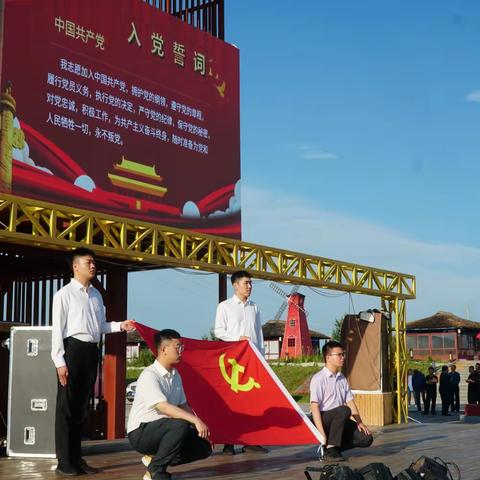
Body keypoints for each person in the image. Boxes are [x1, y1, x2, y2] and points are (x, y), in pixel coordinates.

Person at [51, 247, 135, 476]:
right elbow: (57, 330)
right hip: (72, 350)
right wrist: (60, 361)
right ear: (75, 266)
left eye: (94, 262)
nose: (93, 265)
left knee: (81, 409)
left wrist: (120, 326)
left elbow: (100, 327)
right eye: (88, 262)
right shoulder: (64, 294)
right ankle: (64, 462)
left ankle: (77, 459)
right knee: (66, 409)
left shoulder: (97, 295)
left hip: (91, 351)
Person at [127, 329, 212, 480]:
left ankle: (155, 461)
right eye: (177, 347)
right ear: (164, 349)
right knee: (180, 425)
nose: (181, 351)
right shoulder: (150, 375)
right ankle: (156, 471)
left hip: (166, 430)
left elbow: (183, 405)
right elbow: (163, 407)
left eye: (182, 347)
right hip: (141, 432)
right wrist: (196, 421)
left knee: (203, 447)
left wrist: (198, 428)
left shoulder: (175, 375)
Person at [214, 270, 267, 455]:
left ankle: (250, 440)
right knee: (232, 402)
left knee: (251, 401)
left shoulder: (255, 307)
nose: (250, 286)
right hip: (232, 361)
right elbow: (218, 331)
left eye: (251, 283)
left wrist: (262, 357)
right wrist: (238, 338)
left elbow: (258, 334)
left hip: (252, 360)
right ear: (235, 285)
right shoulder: (225, 306)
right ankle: (229, 442)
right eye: (246, 283)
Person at [309, 340, 373, 462]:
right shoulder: (318, 379)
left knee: (366, 438)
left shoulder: (342, 378)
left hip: (339, 419)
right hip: (322, 419)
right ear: (328, 357)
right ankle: (330, 446)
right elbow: (314, 407)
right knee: (344, 410)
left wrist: (360, 422)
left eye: (343, 354)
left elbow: (350, 401)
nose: (342, 357)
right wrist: (321, 434)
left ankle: (330, 449)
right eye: (339, 354)